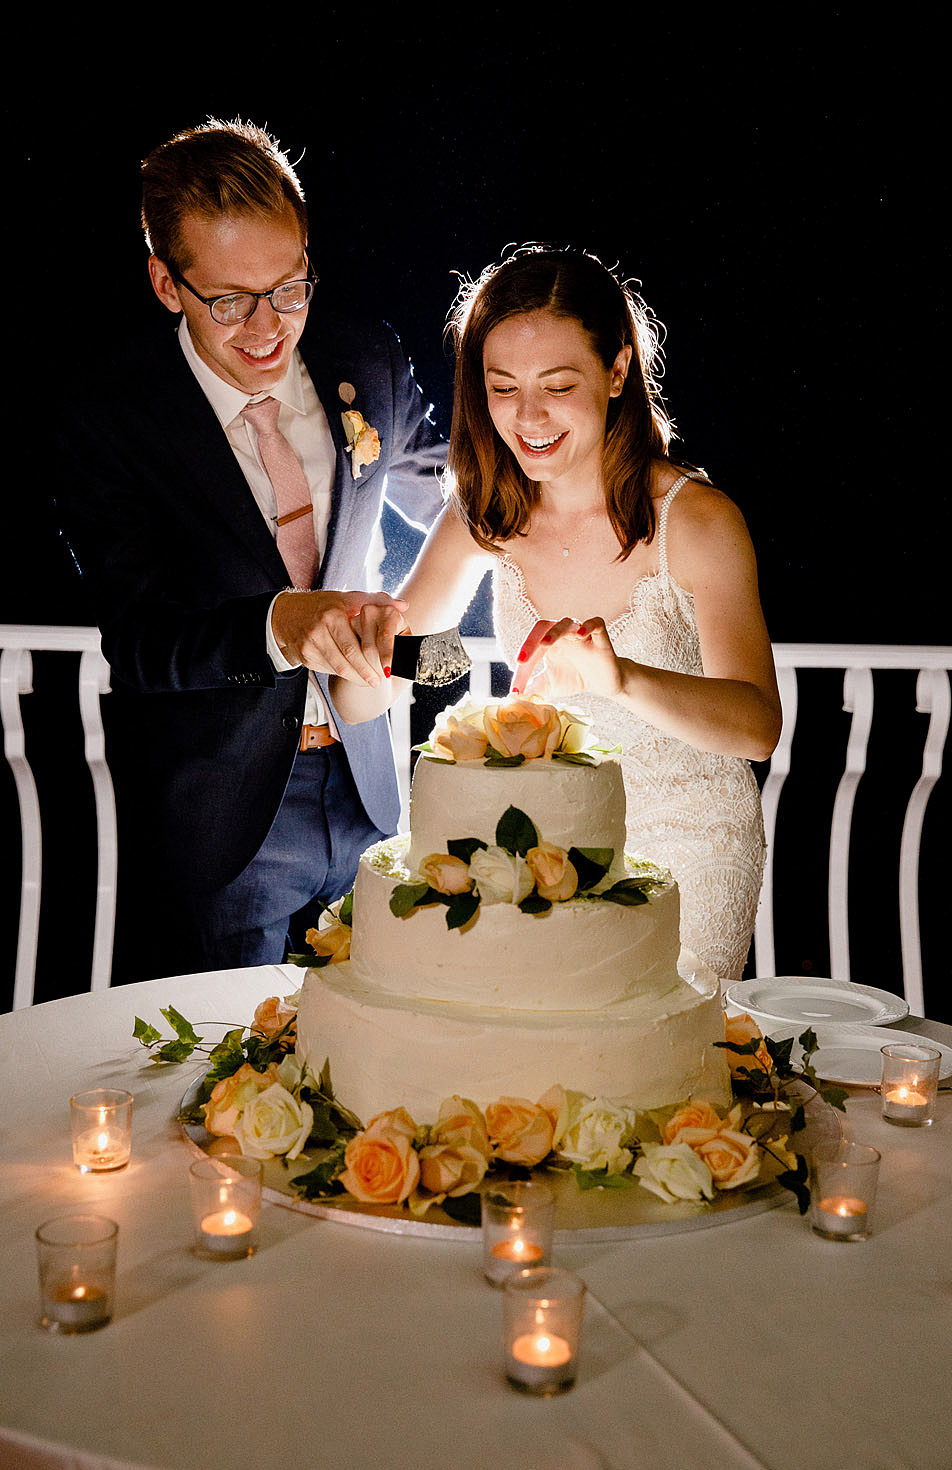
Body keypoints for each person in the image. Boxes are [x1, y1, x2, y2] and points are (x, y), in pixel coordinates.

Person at [55, 119, 445, 979]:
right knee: (226, 1088)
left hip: (374, 789)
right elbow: (142, 642)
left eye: (290, 287)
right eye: (229, 301)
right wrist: (278, 624)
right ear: (167, 282)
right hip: (226, 823)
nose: (268, 326)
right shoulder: (111, 418)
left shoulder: (365, 359)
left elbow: (452, 497)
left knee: (379, 1068)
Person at [333, 245, 780, 980]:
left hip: (690, 845)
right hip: (540, 848)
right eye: (502, 386)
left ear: (616, 372)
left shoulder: (696, 523)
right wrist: (361, 649)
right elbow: (374, 680)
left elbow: (758, 726)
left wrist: (619, 677)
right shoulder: (485, 515)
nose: (527, 417)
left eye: (557, 385)